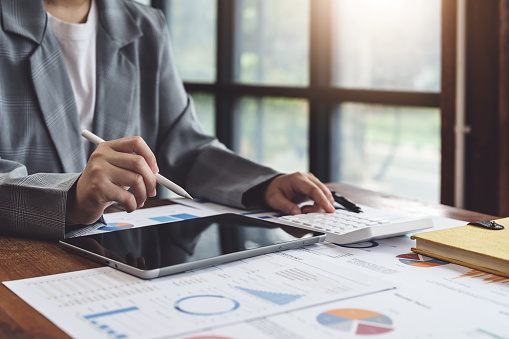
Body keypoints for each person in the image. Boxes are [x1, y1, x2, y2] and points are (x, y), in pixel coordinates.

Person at [0, 0, 335, 240]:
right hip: (25, 257)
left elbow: (186, 148)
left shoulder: (146, 26)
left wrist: (263, 184)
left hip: (125, 250)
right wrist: (72, 199)